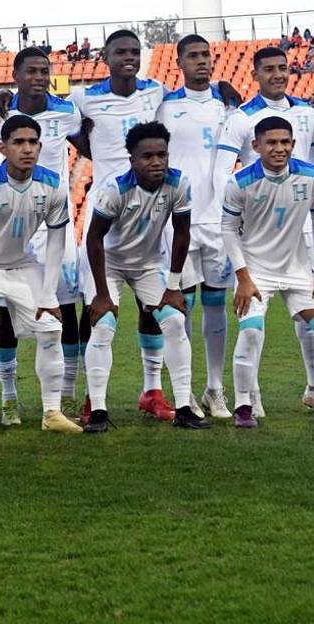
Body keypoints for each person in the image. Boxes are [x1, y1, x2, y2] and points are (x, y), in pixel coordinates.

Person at [214, 46, 314, 414]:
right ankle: (250, 397)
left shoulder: (307, 113)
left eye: (283, 68)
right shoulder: (241, 118)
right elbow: (223, 170)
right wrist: (238, 215)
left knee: (309, 308)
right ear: (256, 74)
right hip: (256, 225)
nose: (278, 75)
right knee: (254, 322)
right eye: (269, 69)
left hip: (299, 219)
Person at [0, 114, 82, 436]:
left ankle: (52, 413)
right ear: (2, 147)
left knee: (52, 327)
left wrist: (49, 294)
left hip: (23, 266)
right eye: (18, 142)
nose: (27, 149)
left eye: (33, 142)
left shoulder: (52, 185)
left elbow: (55, 241)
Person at [70, 30, 175, 422]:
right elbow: (66, 129)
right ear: (105, 57)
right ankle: (91, 397)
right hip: (107, 208)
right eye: (120, 52)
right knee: (96, 306)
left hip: (150, 210)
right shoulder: (84, 98)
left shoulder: (157, 91)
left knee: (153, 306)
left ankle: (152, 391)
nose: (128, 57)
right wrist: (93, 148)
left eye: (135, 51)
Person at [223, 116, 314, 426]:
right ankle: (243, 407)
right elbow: (228, 229)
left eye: (285, 142)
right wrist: (242, 277)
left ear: (294, 145)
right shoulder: (239, 182)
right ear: (255, 146)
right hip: (254, 273)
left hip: (298, 270)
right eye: (271, 142)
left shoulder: (310, 176)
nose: (279, 148)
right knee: (252, 331)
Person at [82, 121, 207, 432]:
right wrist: (101, 293)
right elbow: (94, 239)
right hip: (108, 265)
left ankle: (183, 407)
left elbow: (182, 232)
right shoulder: (114, 189)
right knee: (103, 326)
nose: (156, 162)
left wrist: (174, 286)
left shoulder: (178, 184)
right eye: (147, 156)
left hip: (148, 265)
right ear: (132, 160)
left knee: (176, 321)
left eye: (161, 155)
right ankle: (97, 410)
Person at [0, 48, 83, 422]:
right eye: (32, 71)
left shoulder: (67, 112)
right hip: (15, 225)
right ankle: (9, 397)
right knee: (8, 312)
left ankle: (68, 396)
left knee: (66, 309)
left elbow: (90, 138)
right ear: (16, 74)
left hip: (55, 221)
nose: (39, 77)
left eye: (45, 70)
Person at [157, 35, 232, 418]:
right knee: (180, 305)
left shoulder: (228, 107)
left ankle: (215, 388)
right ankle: (182, 392)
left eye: (206, 55)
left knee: (216, 304)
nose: (201, 61)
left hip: (218, 220)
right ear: (179, 62)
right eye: (193, 56)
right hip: (178, 219)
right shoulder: (164, 106)